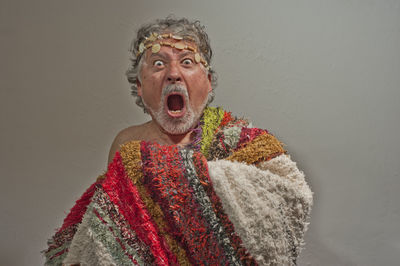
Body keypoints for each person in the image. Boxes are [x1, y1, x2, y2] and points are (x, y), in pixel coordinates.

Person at [44, 17, 313, 265]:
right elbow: (113, 234)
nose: (173, 73)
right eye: (158, 63)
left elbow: (287, 203)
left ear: (208, 83)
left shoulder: (241, 143)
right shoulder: (127, 146)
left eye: (187, 61)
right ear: (139, 85)